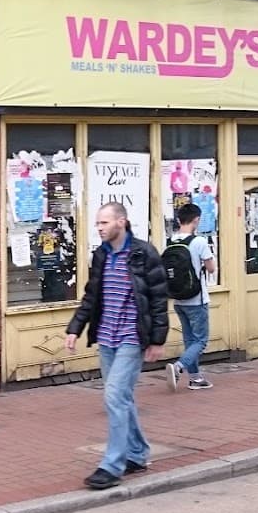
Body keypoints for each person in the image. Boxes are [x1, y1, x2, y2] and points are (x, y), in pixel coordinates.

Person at [66, 203, 170, 491]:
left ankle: (112, 465)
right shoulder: (101, 255)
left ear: (121, 222)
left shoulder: (143, 253)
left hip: (131, 337)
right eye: (97, 223)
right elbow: (91, 295)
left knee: (113, 396)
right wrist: (75, 328)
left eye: (104, 222)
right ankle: (137, 453)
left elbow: (159, 298)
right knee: (121, 397)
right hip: (106, 335)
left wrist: (158, 339)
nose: (99, 228)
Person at [168, 203, 217, 391]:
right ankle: (179, 367)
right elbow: (211, 268)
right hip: (197, 299)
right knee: (201, 340)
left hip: (179, 299)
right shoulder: (199, 242)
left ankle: (195, 378)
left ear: (179, 220)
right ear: (196, 220)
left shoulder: (171, 241)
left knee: (190, 340)